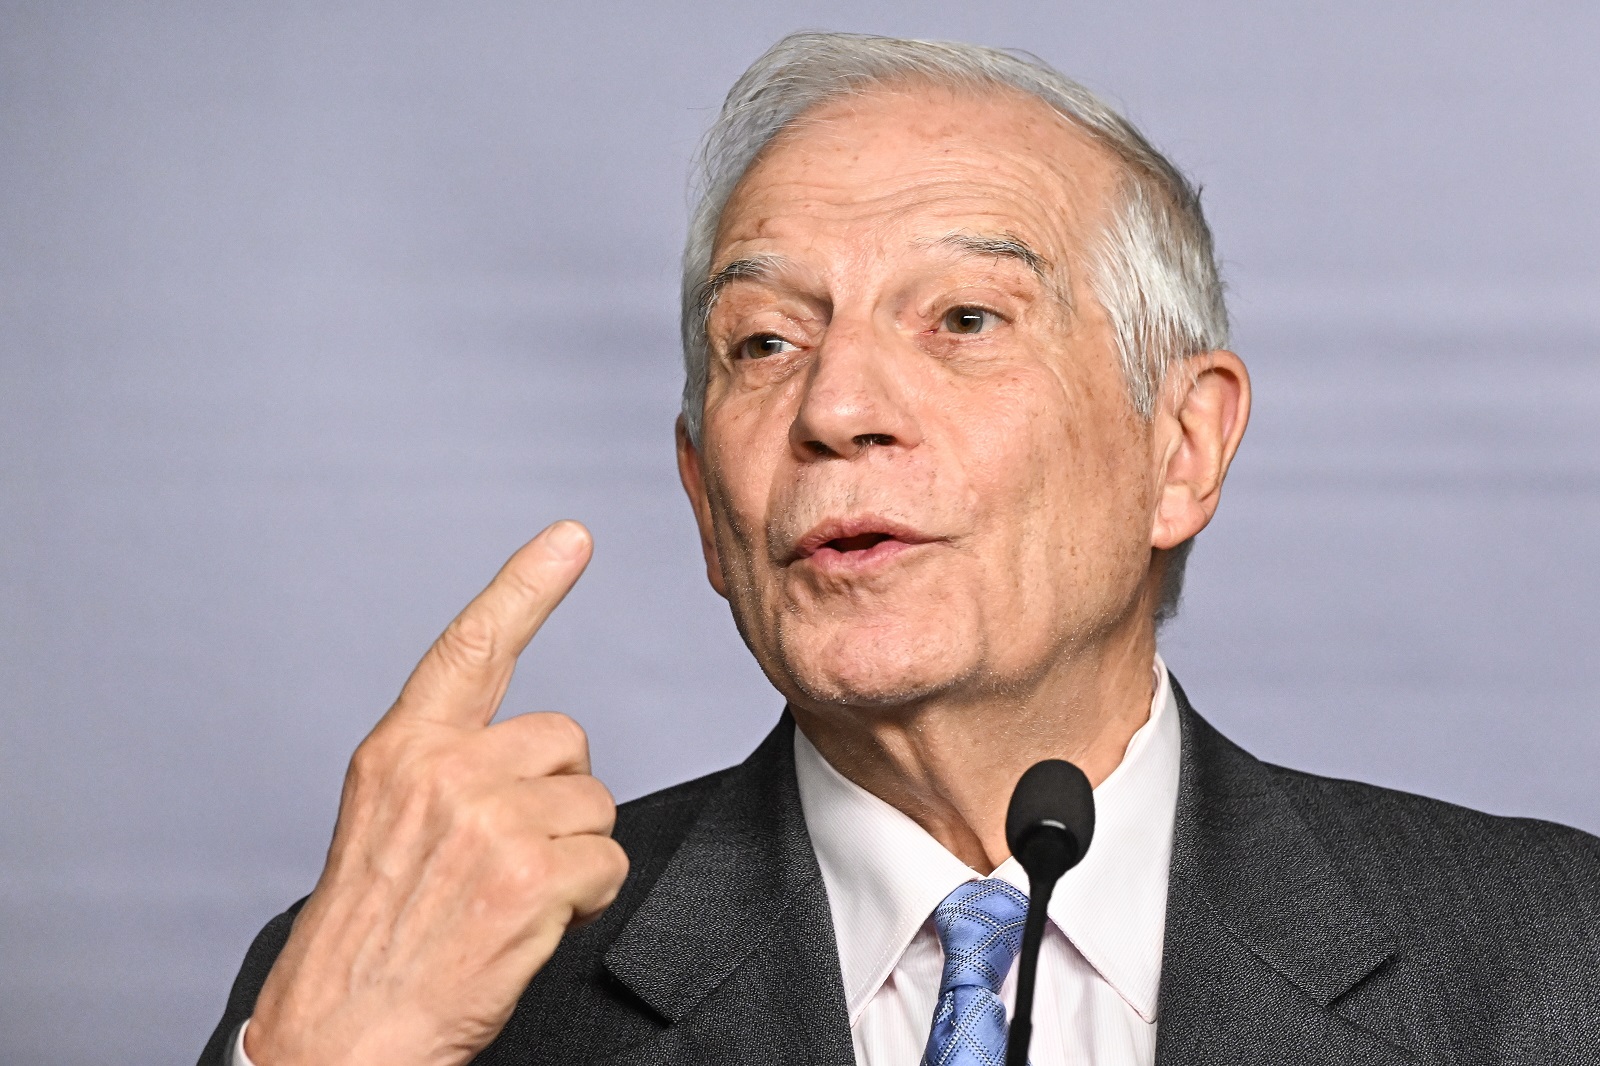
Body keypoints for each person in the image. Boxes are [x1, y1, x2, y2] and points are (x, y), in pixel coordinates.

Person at [198, 31, 1600, 1066]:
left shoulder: (1558, 960)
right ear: (703, 499)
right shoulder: (404, 985)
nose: (837, 410)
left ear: (1182, 448)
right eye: (763, 343)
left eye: (963, 321)